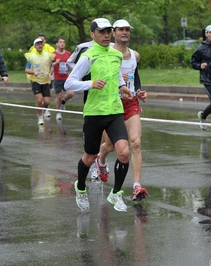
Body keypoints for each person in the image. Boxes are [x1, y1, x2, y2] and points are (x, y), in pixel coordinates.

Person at [65, 18, 133, 212]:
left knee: (124, 151)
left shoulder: (115, 54)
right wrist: (90, 84)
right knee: (89, 156)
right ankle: (80, 187)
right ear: (92, 34)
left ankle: (116, 194)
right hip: (94, 113)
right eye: (101, 32)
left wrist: (122, 87)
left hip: (114, 110)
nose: (105, 35)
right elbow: (69, 83)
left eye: (107, 32)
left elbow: (116, 74)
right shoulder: (88, 56)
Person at [90, 19, 148, 201]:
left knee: (136, 143)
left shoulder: (135, 56)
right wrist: (116, 79)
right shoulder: (107, 53)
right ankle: (100, 159)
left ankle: (137, 185)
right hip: (112, 103)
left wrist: (139, 91)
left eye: (127, 30)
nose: (125, 32)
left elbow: (135, 77)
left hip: (130, 102)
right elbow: (97, 77)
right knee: (111, 146)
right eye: (121, 30)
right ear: (113, 33)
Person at [24, 38, 54, 125]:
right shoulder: (31, 57)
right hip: (35, 81)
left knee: (47, 101)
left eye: (41, 44)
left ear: (43, 45)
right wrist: (34, 72)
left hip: (45, 81)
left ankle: (40, 109)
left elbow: (52, 66)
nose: (40, 45)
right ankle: (40, 117)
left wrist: (50, 72)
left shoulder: (48, 56)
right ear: (35, 46)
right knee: (39, 99)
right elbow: (26, 69)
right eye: (38, 44)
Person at [52, 37, 74, 120]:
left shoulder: (68, 53)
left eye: (63, 42)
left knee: (71, 94)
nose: (62, 44)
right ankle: (58, 112)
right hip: (57, 78)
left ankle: (63, 102)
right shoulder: (53, 54)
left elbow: (71, 64)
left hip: (66, 77)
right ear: (57, 44)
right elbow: (49, 65)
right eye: (60, 42)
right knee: (58, 96)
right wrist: (55, 63)